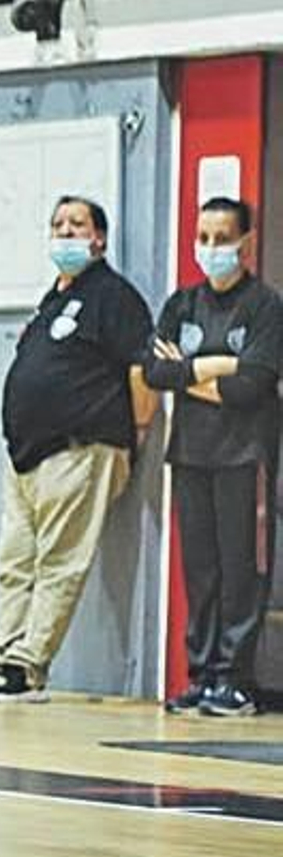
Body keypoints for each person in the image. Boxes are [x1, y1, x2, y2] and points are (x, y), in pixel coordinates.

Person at [0, 196, 156, 703]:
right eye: (58, 224)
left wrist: (138, 429)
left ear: (99, 238)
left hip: (81, 450)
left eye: (76, 224)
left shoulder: (114, 297)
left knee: (60, 562)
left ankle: (27, 665)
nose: (65, 233)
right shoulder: (53, 299)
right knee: (15, 562)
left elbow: (140, 369)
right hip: (27, 458)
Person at [146, 197, 283, 717]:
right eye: (202, 237)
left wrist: (189, 371)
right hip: (190, 454)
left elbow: (254, 385)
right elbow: (155, 372)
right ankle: (202, 676)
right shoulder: (181, 305)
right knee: (200, 571)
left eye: (221, 238)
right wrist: (217, 367)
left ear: (245, 243)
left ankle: (236, 681)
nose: (210, 248)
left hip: (245, 457)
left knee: (240, 571)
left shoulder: (265, 306)